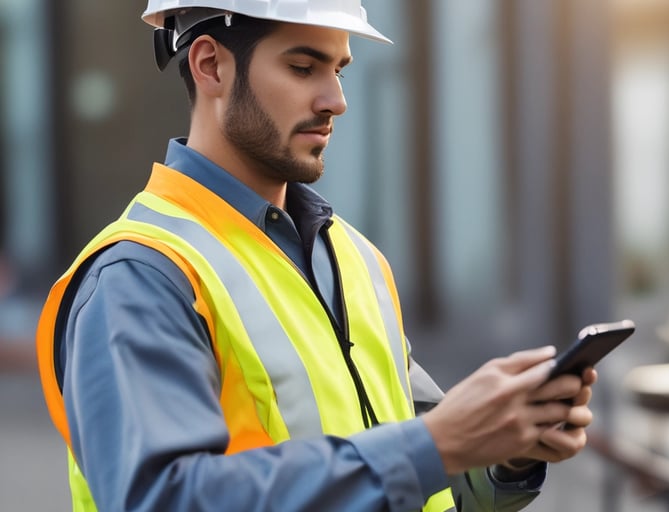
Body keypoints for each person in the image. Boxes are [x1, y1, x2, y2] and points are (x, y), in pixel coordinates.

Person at [37, 1, 598, 510]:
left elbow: (432, 480)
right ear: (209, 65)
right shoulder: (142, 276)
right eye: (304, 68)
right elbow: (164, 500)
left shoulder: (354, 258)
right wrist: (435, 444)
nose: (337, 100)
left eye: (339, 69)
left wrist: (509, 447)